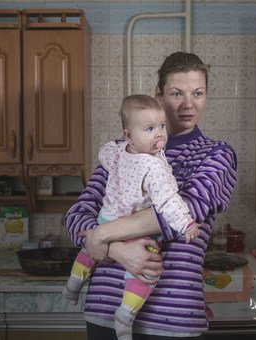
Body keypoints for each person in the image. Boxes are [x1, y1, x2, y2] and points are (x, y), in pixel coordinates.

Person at [64, 52, 237, 340]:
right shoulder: (123, 151)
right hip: (105, 311)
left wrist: (101, 235)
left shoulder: (216, 154)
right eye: (176, 93)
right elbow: (76, 217)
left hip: (174, 317)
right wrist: (118, 250)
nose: (188, 104)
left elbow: (185, 212)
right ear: (158, 96)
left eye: (198, 93)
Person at [62, 94, 201, 339]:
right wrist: (186, 223)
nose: (159, 134)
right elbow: (169, 202)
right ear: (129, 135)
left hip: (107, 218)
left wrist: (101, 237)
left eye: (161, 127)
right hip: (135, 232)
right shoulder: (154, 167)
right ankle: (125, 314)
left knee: (88, 250)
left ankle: (72, 286)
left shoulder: (115, 152)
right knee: (147, 272)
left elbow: (104, 153)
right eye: (150, 129)